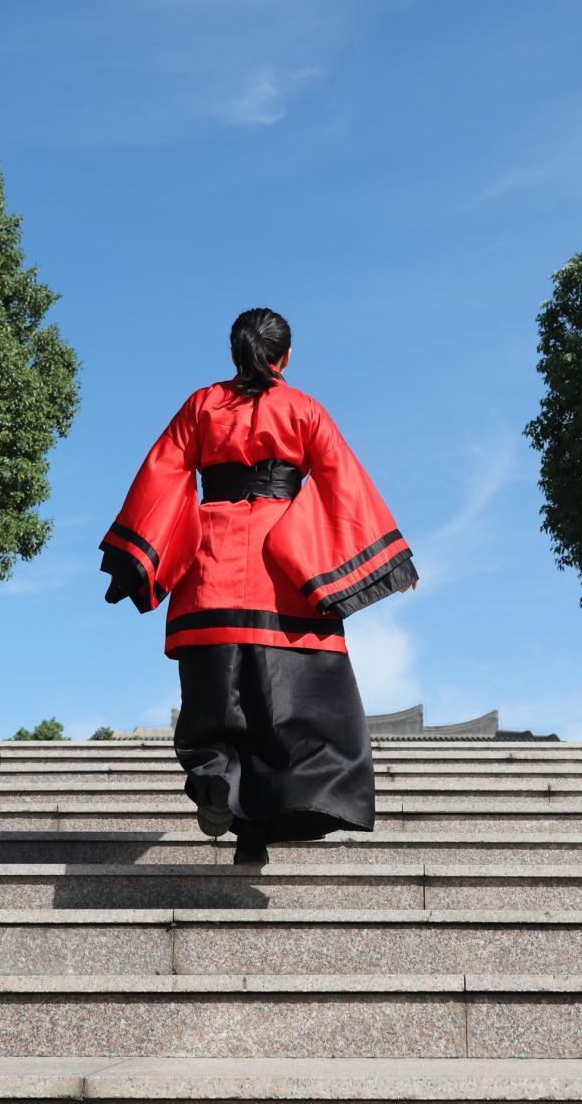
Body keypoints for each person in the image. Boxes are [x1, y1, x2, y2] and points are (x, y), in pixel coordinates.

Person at [98, 308, 417, 865]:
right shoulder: (304, 409)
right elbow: (342, 480)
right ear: (285, 357)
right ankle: (257, 828)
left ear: (234, 352)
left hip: (210, 568)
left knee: (215, 704)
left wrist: (134, 558)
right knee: (294, 717)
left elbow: (162, 473)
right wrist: (387, 559)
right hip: (286, 578)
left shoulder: (201, 406)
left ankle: (217, 777)